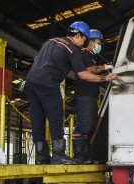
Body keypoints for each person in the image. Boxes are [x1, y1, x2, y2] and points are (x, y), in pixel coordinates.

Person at [24, 21, 117, 165]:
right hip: (48, 82)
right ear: (79, 36)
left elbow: (37, 60)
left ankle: (42, 156)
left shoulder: (50, 42)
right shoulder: (72, 49)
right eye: (84, 41)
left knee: (37, 117)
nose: (83, 45)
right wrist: (105, 77)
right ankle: (58, 155)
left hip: (30, 82)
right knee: (56, 116)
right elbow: (82, 74)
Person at [72, 29, 112, 164]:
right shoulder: (84, 55)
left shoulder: (93, 57)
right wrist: (105, 67)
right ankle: (79, 156)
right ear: (90, 42)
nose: (99, 46)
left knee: (91, 125)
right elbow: (87, 70)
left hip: (91, 95)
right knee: (84, 124)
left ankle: (87, 155)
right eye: (98, 43)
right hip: (84, 95)